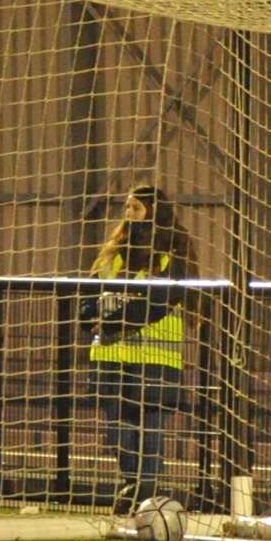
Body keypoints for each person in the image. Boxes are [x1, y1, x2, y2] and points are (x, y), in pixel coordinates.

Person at [81, 183, 196, 515]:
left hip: (155, 359)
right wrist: (87, 316)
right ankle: (136, 490)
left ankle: (146, 498)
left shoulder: (170, 257)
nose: (128, 214)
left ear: (153, 213)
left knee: (149, 434)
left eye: (136, 208)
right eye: (127, 208)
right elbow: (88, 292)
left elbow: (159, 303)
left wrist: (114, 321)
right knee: (118, 433)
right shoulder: (112, 254)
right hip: (111, 356)